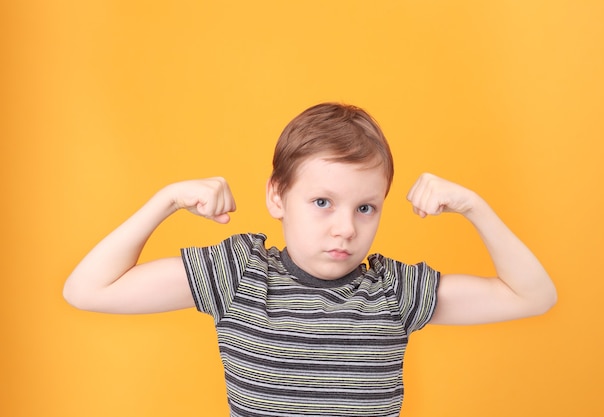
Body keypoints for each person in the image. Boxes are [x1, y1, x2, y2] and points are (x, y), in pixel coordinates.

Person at [64, 102, 557, 417]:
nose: (346, 227)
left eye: (365, 207)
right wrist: (166, 200)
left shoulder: (394, 291)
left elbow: (532, 296)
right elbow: (87, 290)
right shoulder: (238, 276)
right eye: (322, 202)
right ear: (277, 198)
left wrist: (475, 207)